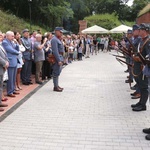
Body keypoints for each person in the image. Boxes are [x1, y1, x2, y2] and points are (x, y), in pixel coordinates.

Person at [131, 23, 150, 111]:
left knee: (144, 87)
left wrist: (139, 59)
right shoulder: (142, 40)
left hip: (143, 67)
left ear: (145, 31)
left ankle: (143, 105)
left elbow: (148, 56)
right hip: (139, 67)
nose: (140, 31)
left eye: (141, 30)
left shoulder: (148, 41)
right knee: (140, 85)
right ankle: (140, 102)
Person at [2, 31, 20, 97]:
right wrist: (18, 52)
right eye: (12, 36)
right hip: (10, 61)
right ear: (7, 36)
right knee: (10, 77)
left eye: (13, 36)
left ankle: (13, 89)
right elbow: (11, 50)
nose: (13, 37)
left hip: (14, 61)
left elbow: (17, 48)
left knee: (13, 77)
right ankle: (9, 91)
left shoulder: (12, 42)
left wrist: (17, 43)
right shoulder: (5, 42)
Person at [51, 27, 64, 92]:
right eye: (60, 32)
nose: (61, 33)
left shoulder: (58, 39)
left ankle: (57, 85)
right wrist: (58, 60)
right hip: (57, 58)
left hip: (60, 56)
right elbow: (55, 51)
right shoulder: (54, 39)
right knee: (56, 72)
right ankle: (55, 87)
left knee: (58, 72)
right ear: (56, 31)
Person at [0, 32, 9, 111]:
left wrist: (7, 61)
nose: (1, 36)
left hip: (2, 68)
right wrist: (4, 63)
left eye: (1, 35)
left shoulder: (1, 45)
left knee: (1, 86)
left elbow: (5, 55)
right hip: (1, 66)